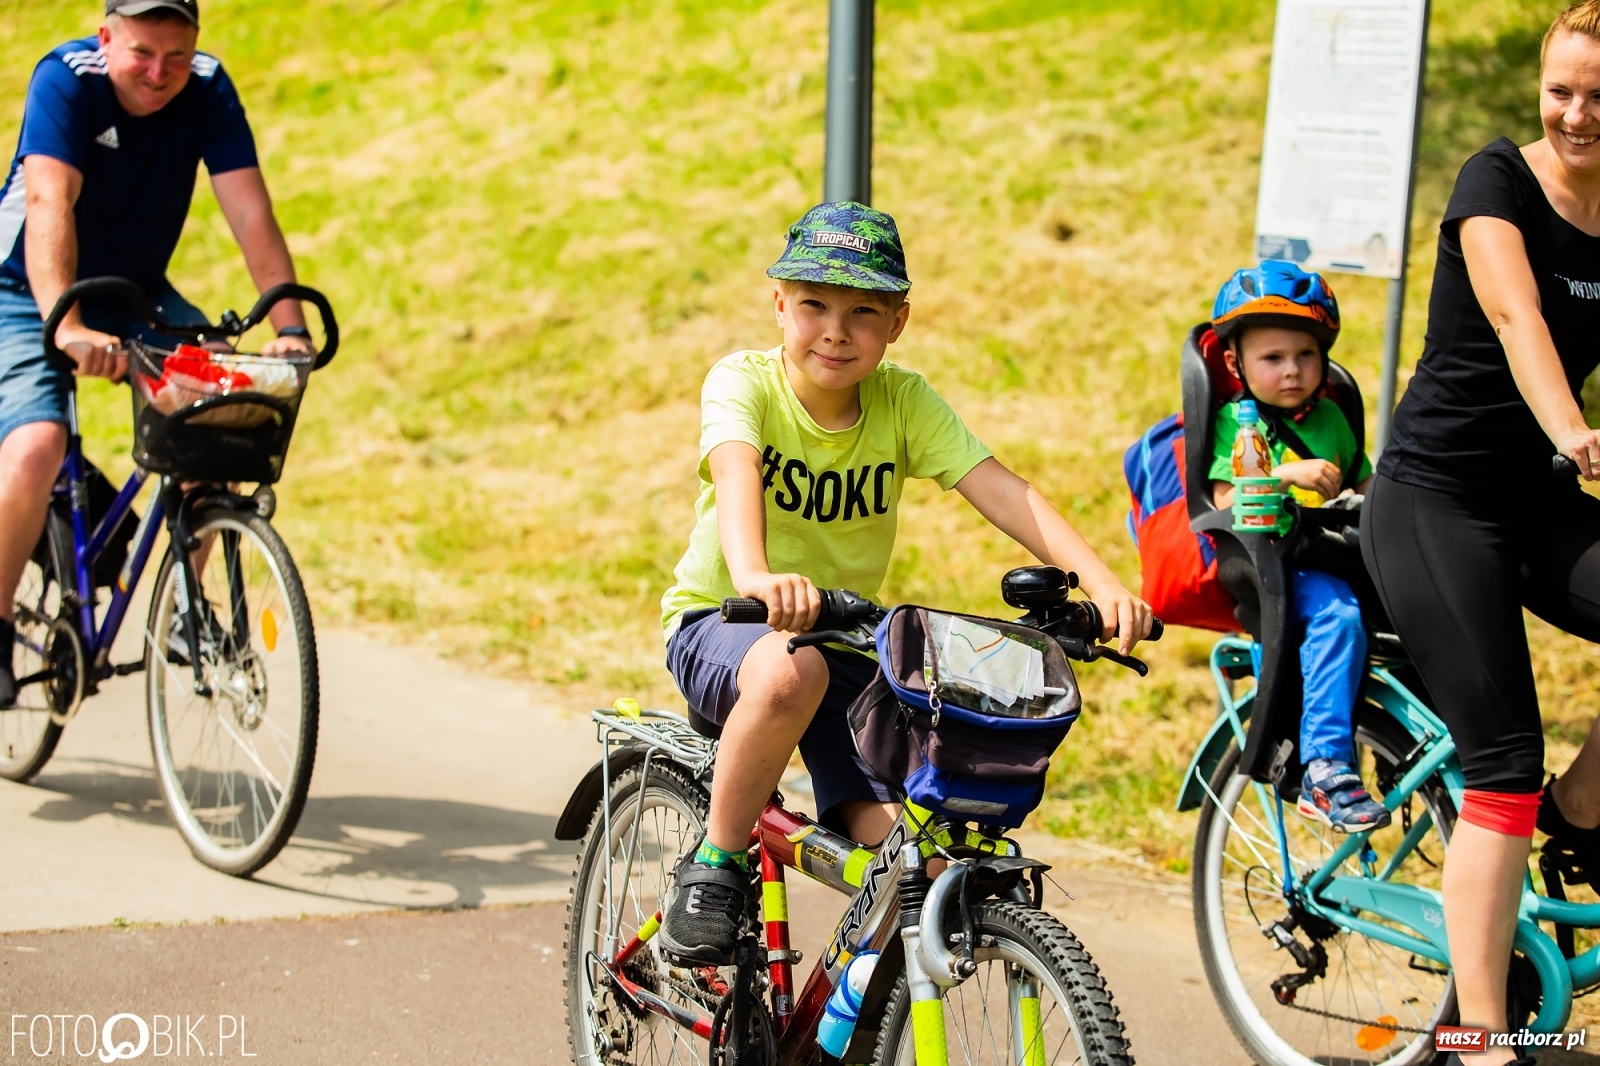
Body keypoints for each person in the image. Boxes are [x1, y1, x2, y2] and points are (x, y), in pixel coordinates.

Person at [655, 201, 1153, 966]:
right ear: (779, 304)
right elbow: (735, 474)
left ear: (898, 323)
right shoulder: (744, 383)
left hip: (842, 640)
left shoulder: (903, 401)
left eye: (863, 312)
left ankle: (864, 1005)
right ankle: (715, 864)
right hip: (728, 623)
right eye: (814, 305)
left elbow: (1002, 490)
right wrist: (758, 577)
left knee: (917, 844)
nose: (835, 331)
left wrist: (1105, 584)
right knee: (791, 672)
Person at [1361, 4, 1600, 1062]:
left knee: (1539, 784)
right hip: (1435, 500)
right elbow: (1516, 318)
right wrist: (1574, 432)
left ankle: (1580, 811)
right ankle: (1479, 1035)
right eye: (1560, 90)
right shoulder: (1493, 180)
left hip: (1533, 500)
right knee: (1503, 760)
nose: (1576, 115)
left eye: (1598, 97)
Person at [0, 0, 315, 707]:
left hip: (134, 292)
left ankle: (182, 606)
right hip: (21, 286)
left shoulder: (207, 86)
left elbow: (250, 211)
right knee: (36, 444)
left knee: (218, 412)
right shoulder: (66, 78)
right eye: (141, 53)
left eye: (176, 56)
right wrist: (67, 325)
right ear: (106, 36)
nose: (159, 73)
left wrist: (290, 324)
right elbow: (49, 200)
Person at [1206, 261, 1388, 834]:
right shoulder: (1236, 424)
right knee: (1338, 617)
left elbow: (1364, 483)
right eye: (1273, 358)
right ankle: (1325, 767)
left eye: (1306, 354)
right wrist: (1285, 476)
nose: (1292, 370)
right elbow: (1224, 498)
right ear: (1234, 364)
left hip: (1336, 552)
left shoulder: (1332, 415)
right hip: (1274, 563)